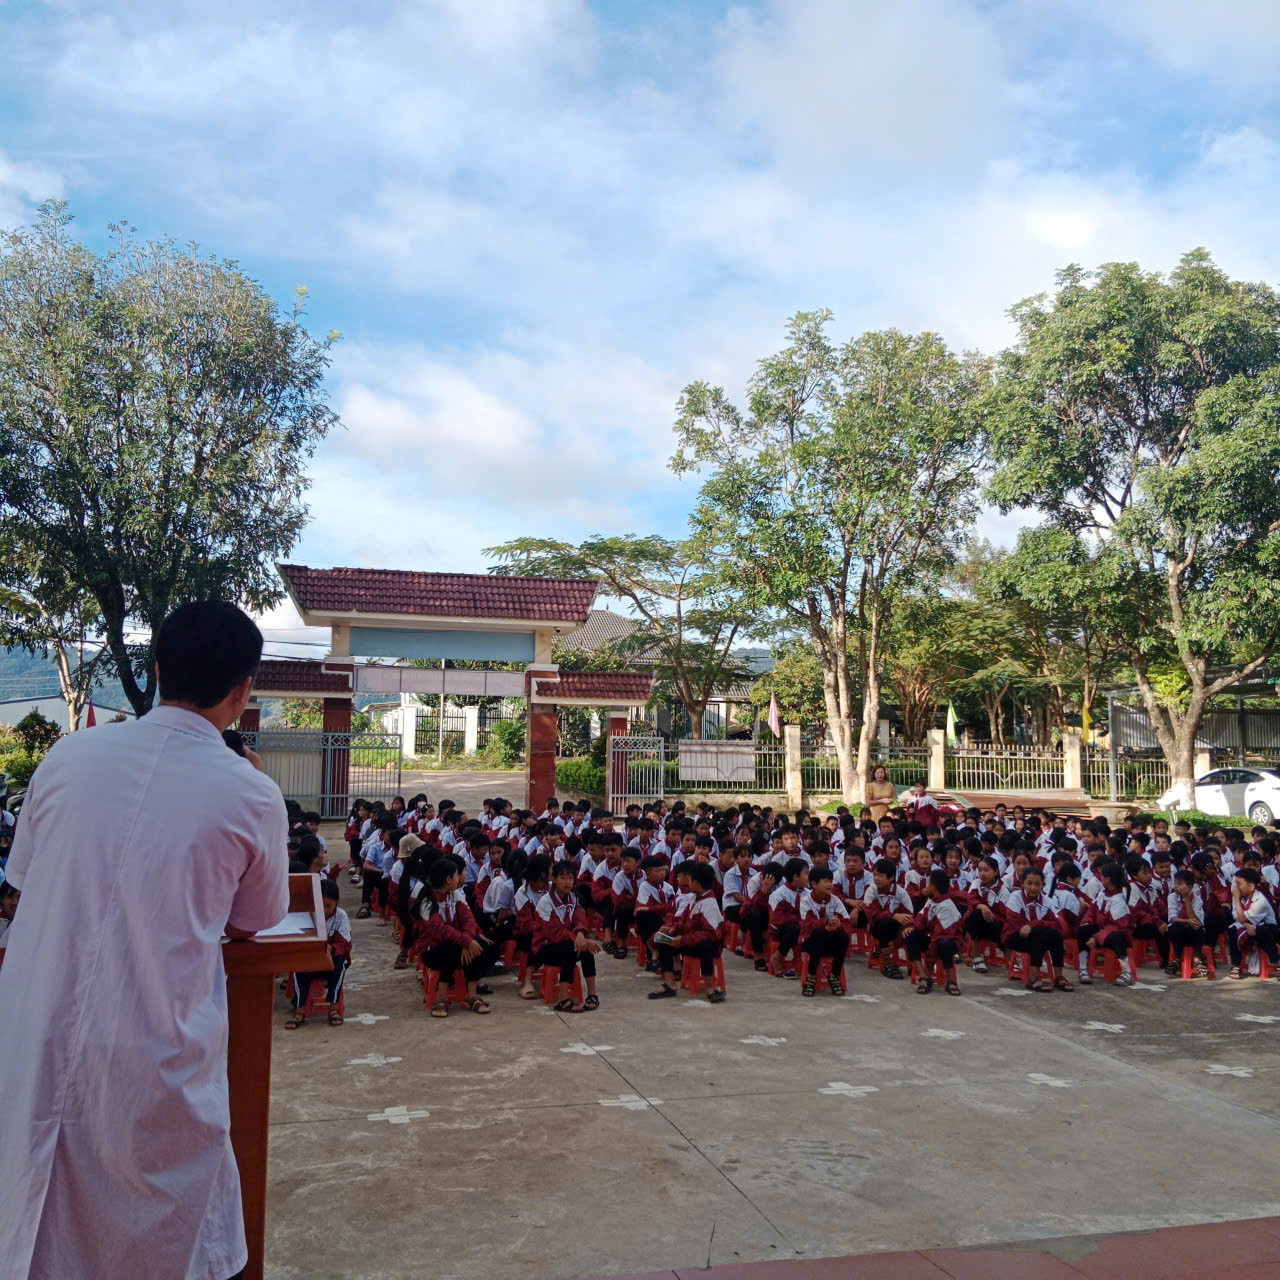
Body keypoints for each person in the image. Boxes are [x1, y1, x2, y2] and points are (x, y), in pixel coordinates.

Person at [0, 601, 288, 1280]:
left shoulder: (68, 755)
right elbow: (253, 920)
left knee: (34, 1220)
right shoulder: (250, 793)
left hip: (34, 1028)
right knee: (155, 1241)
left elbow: (24, 876)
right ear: (244, 691)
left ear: (156, 669)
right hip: (155, 1052)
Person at [286, 880, 352, 1028]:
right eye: (321, 905)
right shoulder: (307, 914)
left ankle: (333, 1007)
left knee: (341, 961)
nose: (324, 910)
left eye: (329, 906)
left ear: (336, 903)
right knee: (298, 963)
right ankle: (300, 1009)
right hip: (311, 962)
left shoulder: (341, 916)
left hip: (331, 964)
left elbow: (345, 945)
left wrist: (331, 948)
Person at [798, 866, 852, 996]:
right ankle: (811, 976)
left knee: (844, 936)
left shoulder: (835, 900)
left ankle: (834, 974)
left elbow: (847, 923)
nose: (830, 884)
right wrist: (825, 923)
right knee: (818, 933)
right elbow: (807, 925)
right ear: (814, 884)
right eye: (826, 881)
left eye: (831, 881)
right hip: (810, 943)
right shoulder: (806, 901)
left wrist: (838, 925)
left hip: (830, 944)